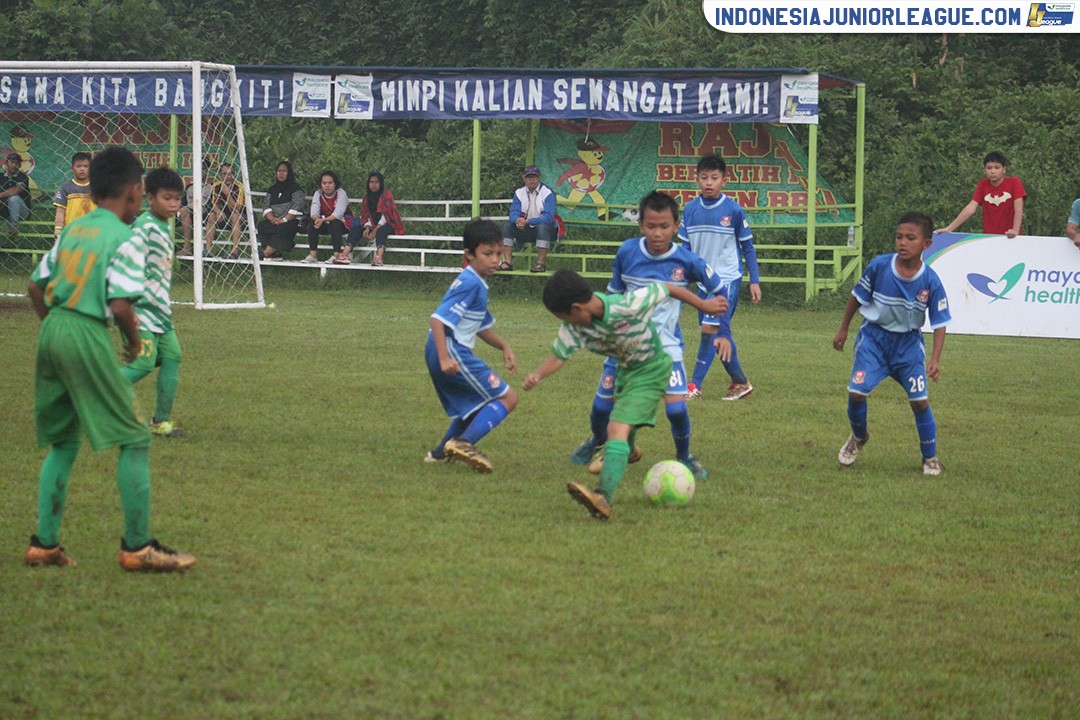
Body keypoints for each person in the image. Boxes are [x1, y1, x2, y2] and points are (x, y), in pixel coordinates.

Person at [24, 146, 196, 571]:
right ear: (135, 192)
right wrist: (135, 344)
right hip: (85, 330)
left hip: (53, 329)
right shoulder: (125, 236)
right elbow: (120, 305)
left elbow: (35, 286)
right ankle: (138, 547)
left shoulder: (74, 230)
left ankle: (44, 544)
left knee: (64, 441)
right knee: (135, 439)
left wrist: (55, 326)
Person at [524, 269, 727, 521]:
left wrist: (704, 305)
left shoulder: (628, 305)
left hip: (652, 370)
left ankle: (603, 497)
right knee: (619, 425)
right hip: (626, 372)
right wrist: (538, 374)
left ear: (577, 309)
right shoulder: (574, 328)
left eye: (564, 317)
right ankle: (628, 451)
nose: (566, 323)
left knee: (616, 427)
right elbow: (559, 355)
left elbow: (667, 287)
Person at [568, 191, 726, 480]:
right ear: (641, 225)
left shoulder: (686, 260)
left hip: (666, 348)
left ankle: (684, 457)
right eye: (651, 226)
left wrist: (715, 323)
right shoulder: (627, 253)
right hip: (624, 346)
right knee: (601, 408)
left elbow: (719, 289)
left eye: (664, 226)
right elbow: (613, 296)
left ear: (676, 226)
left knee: (676, 410)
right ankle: (598, 441)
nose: (657, 233)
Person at [833, 211, 950, 477]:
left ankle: (930, 457)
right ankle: (859, 437)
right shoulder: (880, 266)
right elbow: (856, 298)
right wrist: (843, 329)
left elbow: (940, 321)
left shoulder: (930, 280)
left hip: (908, 347)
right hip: (874, 341)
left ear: (926, 244)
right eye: (899, 237)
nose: (903, 242)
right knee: (856, 392)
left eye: (910, 238)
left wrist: (935, 358)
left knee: (919, 402)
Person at [424, 219, 518, 473]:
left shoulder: (476, 281)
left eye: (498, 253)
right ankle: (463, 443)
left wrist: (504, 346)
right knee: (508, 397)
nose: (495, 260)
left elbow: (480, 326)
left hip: (441, 348)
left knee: (476, 406)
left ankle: (440, 454)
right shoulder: (470, 283)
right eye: (487, 254)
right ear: (469, 254)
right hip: (450, 349)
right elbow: (437, 320)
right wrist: (445, 358)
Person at [679, 154, 760, 401]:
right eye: (704, 177)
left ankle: (694, 385)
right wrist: (681, 282)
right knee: (716, 333)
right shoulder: (690, 210)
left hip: (727, 279)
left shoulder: (734, 211)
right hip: (703, 282)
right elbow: (685, 251)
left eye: (714, 178)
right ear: (697, 179)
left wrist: (754, 280)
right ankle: (740, 382)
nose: (709, 182)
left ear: (724, 180)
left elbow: (748, 247)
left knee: (710, 329)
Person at [121, 167, 188, 439]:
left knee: (173, 356)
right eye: (167, 198)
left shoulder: (162, 225)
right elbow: (125, 264)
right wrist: (127, 308)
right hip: (141, 310)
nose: (173, 204)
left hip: (161, 311)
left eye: (177, 199)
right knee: (143, 365)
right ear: (150, 199)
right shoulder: (144, 228)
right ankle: (93, 393)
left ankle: (160, 422)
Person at [936, 151, 1026, 238]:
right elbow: (971, 208)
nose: (993, 171)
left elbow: (1018, 209)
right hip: (988, 238)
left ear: (1004, 169)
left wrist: (1015, 231)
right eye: (989, 168)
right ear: (985, 170)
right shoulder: (983, 184)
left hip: (1011, 238)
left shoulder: (1014, 182)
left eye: (997, 168)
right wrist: (949, 228)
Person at [500, 165, 558, 273]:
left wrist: (528, 221)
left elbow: (548, 217)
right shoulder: (519, 193)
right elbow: (513, 213)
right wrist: (517, 220)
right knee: (507, 225)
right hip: (526, 229)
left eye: (534, 177)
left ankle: (540, 264)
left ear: (539, 178)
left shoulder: (548, 193)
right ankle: (507, 262)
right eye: (528, 177)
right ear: (524, 179)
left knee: (542, 226)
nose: (531, 179)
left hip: (547, 231)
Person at [341, 171, 403, 266]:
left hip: (388, 223)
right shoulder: (367, 198)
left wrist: (375, 230)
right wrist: (367, 227)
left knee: (381, 232)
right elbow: (366, 215)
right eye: (371, 182)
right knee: (357, 229)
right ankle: (344, 255)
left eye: (376, 182)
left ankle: (379, 258)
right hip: (372, 224)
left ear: (381, 183)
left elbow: (387, 215)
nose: (373, 185)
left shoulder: (386, 195)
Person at [258, 160, 306, 260]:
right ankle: (275, 254)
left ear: (289, 173)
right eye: (279, 171)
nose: (281, 173)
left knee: (285, 227)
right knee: (262, 225)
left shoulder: (296, 189)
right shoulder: (272, 189)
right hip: (275, 220)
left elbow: (297, 206)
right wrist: (272, 218)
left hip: (291, 220)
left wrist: (284, 219)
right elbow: (266, 206)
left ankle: (265, 254)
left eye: (284, 171)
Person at [305, 171, 350, 264]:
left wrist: (322, 220)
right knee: (312, 223)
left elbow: (338, 214)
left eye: (330, 183)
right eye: (324, 183)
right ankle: (313, 255)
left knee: (335, 223)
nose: (327, 185)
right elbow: (314, 211)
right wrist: (317, 219)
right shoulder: (318, 193)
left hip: (343, 223)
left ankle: (336, 255)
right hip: (325, 223)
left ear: (335, 184)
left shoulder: (341, 193)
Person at [202, 163, 245, 259]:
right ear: (220, 175)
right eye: (225, 174)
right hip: (226, 216)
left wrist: (227, 193)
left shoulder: (239, 186)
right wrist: (218, 211)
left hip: (242, 217)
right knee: (212, 215)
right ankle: (208, 250)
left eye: (230, 174)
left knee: (235, 216)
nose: (228, 177)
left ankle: (234, 252)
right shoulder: (217, 185)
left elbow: (237, 209)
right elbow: (214, 204)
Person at [52, 151, 95, 240]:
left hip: (93, 232)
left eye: (85, 166)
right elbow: (60, 211)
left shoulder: (96, 187)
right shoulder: (65, 187)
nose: (82, 169)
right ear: (72, 169)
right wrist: (58, 231)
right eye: (78, 166)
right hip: (71, 233)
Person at [0, 151, 32, 239]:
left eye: (17, 163)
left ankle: (14, 226)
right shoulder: (1, 177)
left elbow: (17, 190)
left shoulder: (22, 177)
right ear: (6, 164)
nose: (14, 165)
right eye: (12, 162)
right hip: (5, 211)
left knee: (14, 198)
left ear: (20, 165)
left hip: (22, 213)